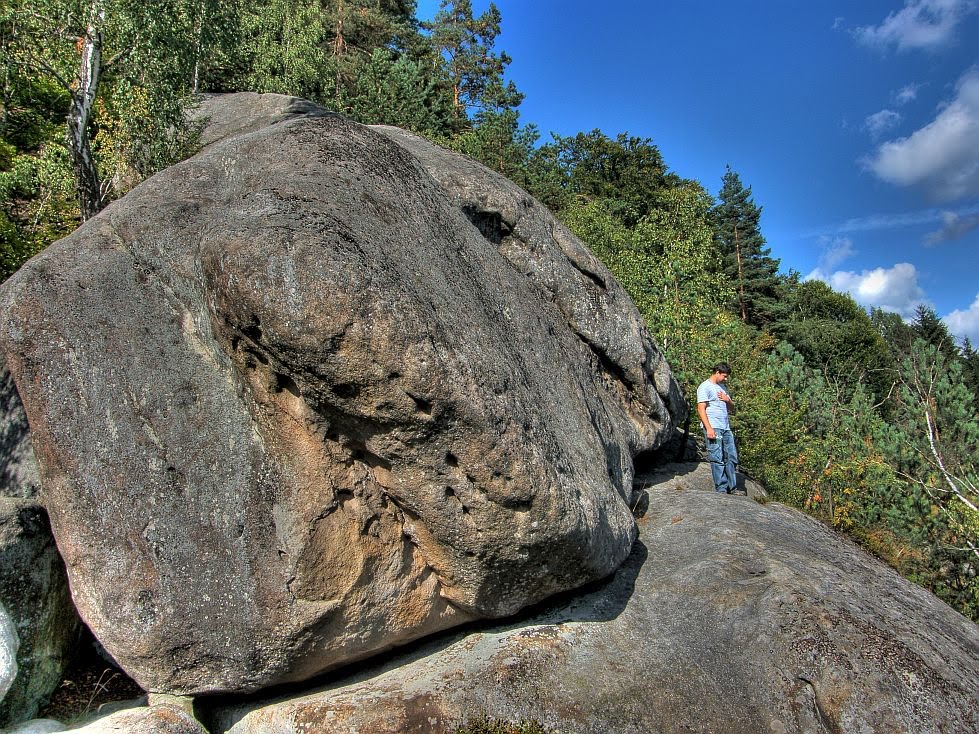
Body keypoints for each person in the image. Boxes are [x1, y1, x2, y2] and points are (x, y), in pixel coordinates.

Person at [697, 362, 743, 495]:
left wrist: (728, 400)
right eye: (724, 376)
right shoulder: (705, 387)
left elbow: (732, 409)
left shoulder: (722, 388)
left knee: (732, 457)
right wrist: (709, 428)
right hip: (713, 427)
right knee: (717, 457)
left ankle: (732, 487)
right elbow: (701, 408)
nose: (726, 379)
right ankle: (722, 488)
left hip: (726, 427)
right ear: (717, 372)